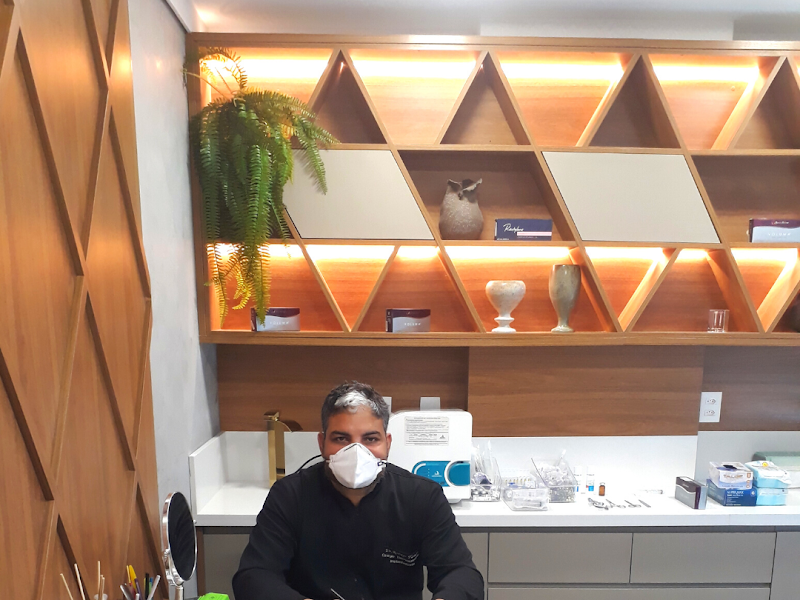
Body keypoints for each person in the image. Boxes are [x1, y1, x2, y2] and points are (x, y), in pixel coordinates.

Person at [233, 381, 484, 600]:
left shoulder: (421, 496)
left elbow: (461, 574)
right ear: (322, 443)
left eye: (370, 439)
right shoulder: (290, 496)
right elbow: (253, 577)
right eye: (341, 439)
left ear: (387, 444)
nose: (356, 451)